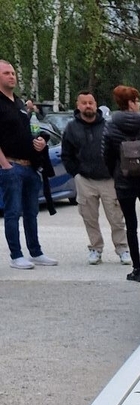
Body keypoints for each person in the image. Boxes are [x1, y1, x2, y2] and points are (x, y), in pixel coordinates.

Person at [0, 59, 57, 269]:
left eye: (13, 73)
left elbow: (26, 132)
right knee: (13, 212)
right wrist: (5, 165)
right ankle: (16, 255)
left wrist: (39, 142)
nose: (11, 76)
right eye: (6, 73)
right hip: (11, 165)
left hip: (29, 166)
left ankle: (36, 252)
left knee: (31, 212)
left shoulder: (19, 103)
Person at [61, 91, 130, 266]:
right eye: (84, 103)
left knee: (116, 217)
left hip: (108, 179)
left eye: (91, 102)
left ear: (96, 104)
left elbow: (119, 150)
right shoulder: (71, 128)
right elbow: (67, 155)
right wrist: (76, 174)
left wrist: (117, 173)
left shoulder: (108, 126)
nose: (88, 106)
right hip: (85, 180)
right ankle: (95, 249)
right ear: (78, 106)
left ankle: (122, 249)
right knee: (89, 217)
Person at [101, 85, 140, 282]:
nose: (139, 104)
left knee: (130, 225)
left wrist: (115, 173)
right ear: (130, 103)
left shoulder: (111, 125)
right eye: (136, 100)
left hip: (123, 181)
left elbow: (106, 154)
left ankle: (137, 268)